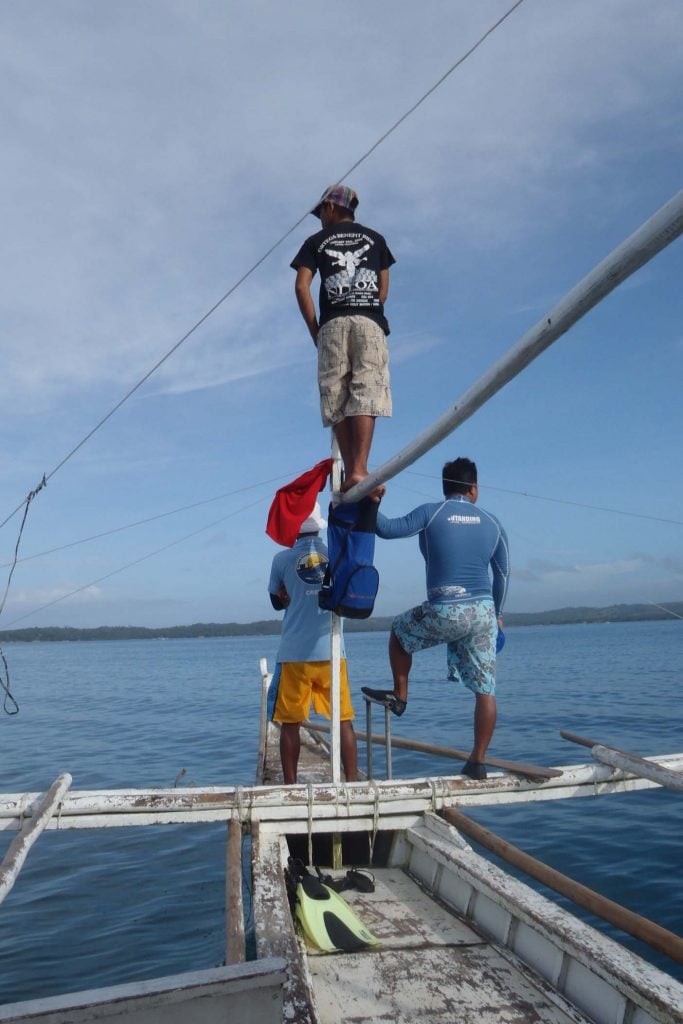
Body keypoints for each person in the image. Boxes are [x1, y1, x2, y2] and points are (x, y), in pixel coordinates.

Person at [362, 458, 509, 781]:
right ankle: (478, 761)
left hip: (447, 606)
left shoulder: (433, 512)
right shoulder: (493, 522)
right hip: (483, 612)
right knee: (486, 691)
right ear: (474, 489)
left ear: (445, 489)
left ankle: (400, 697)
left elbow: (385, 529)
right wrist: (497, 616)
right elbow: (502, 575)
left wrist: (372, 500)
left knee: (399, 632)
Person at [291, 184, 395, 491]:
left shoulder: (316, 241)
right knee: (367, 387)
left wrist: (316, 330)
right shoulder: (376, 239)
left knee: (336, 395)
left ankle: (352, 471)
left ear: (331, 208)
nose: (320, 217)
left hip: (333, 323)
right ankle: (360, 470)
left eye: (321, 211)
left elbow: (301, 286)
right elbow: (383, 291)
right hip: (369, 320)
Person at [268, 501, 358, 784]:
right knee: (343, 719)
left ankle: (291, 786)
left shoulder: (281, 560)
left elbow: (275, 602)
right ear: (320, 526)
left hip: (295, 653)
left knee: (290, 724)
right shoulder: (337, 555)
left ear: (295, 526)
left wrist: (287, 592)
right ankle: (352, 782)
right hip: (331, 650)